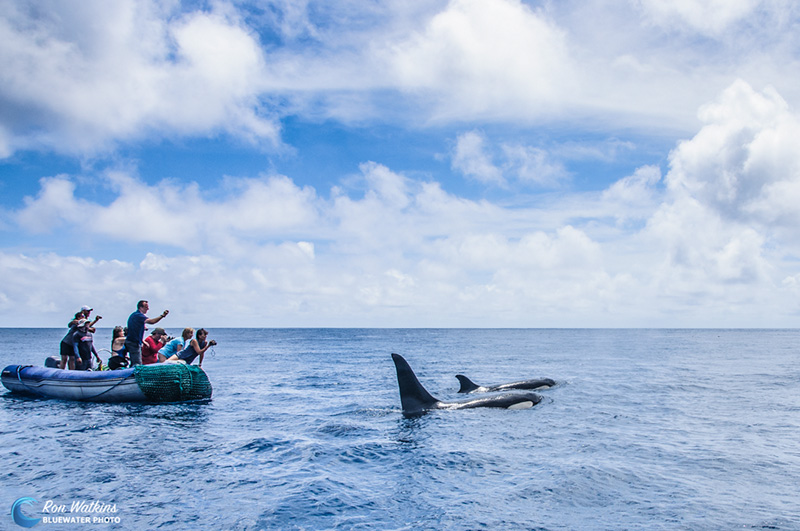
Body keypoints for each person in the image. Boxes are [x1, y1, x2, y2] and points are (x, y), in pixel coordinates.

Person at [125, 300, 168, 366]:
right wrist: (162, 315)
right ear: (140, 307)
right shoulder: (138, 315)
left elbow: (134, 330)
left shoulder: (135, 316)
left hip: (134, 341)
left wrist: (142, 341)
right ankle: (134, 375)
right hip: (133, 343)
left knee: (135, 362)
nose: (148, 309)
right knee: (137, 364)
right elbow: (152, 321)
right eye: (146, 307)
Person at [58, 306, 101, 370]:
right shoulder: (77, 321)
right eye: (88, 311)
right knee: (64, 359)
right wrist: (94, 321)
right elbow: (72, 324)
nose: (89, 312)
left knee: (72, 359)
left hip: (74, 343)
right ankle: (60, 373)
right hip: (66, 342)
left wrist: (94, 321)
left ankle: (71, 374)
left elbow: (91, 329)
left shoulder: (86, 321)